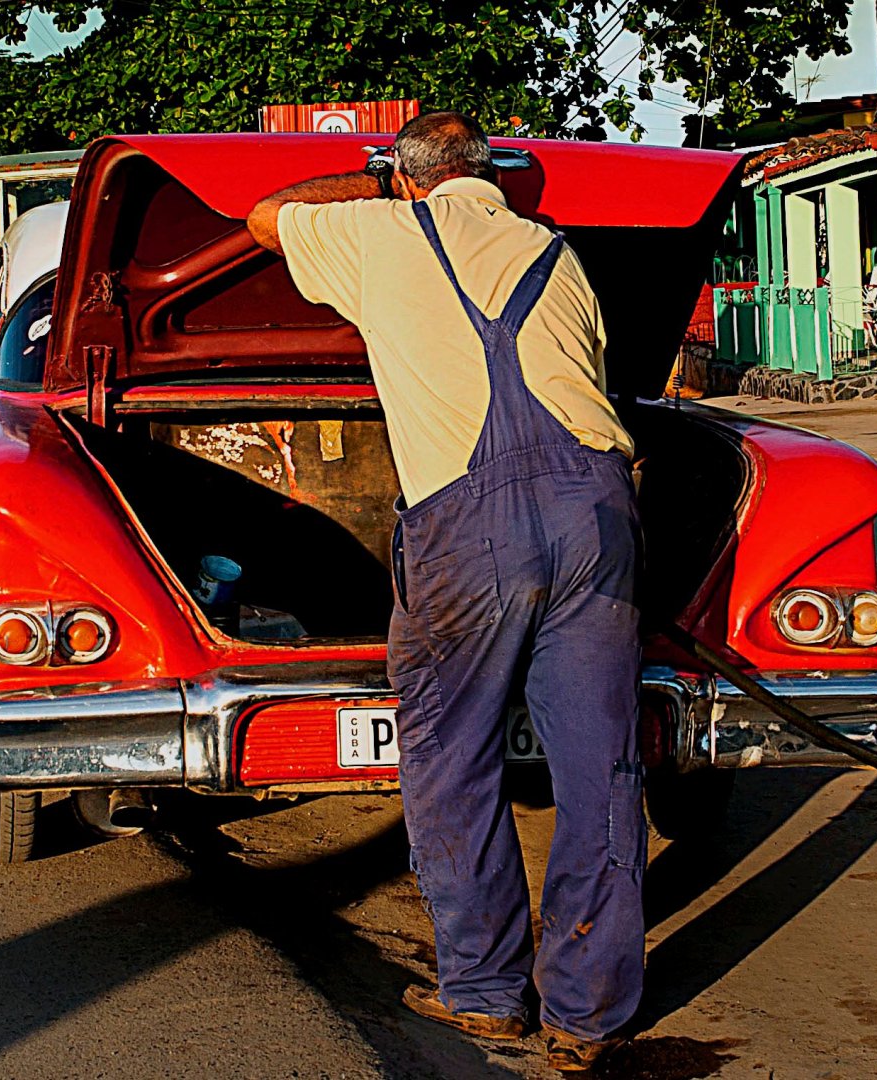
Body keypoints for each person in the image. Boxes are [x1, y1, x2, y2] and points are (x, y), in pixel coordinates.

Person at [246, 111, 644, 1073]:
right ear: (492, 174)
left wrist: (378, 188)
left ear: (411, 176)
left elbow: (266, 217)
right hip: (597, 509)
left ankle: (485, 992)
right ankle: (589, 1014)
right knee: (601, 769)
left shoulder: (381, 232)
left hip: (469, 529)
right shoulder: (554, 248)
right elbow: (591, 375)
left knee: (450, 757)